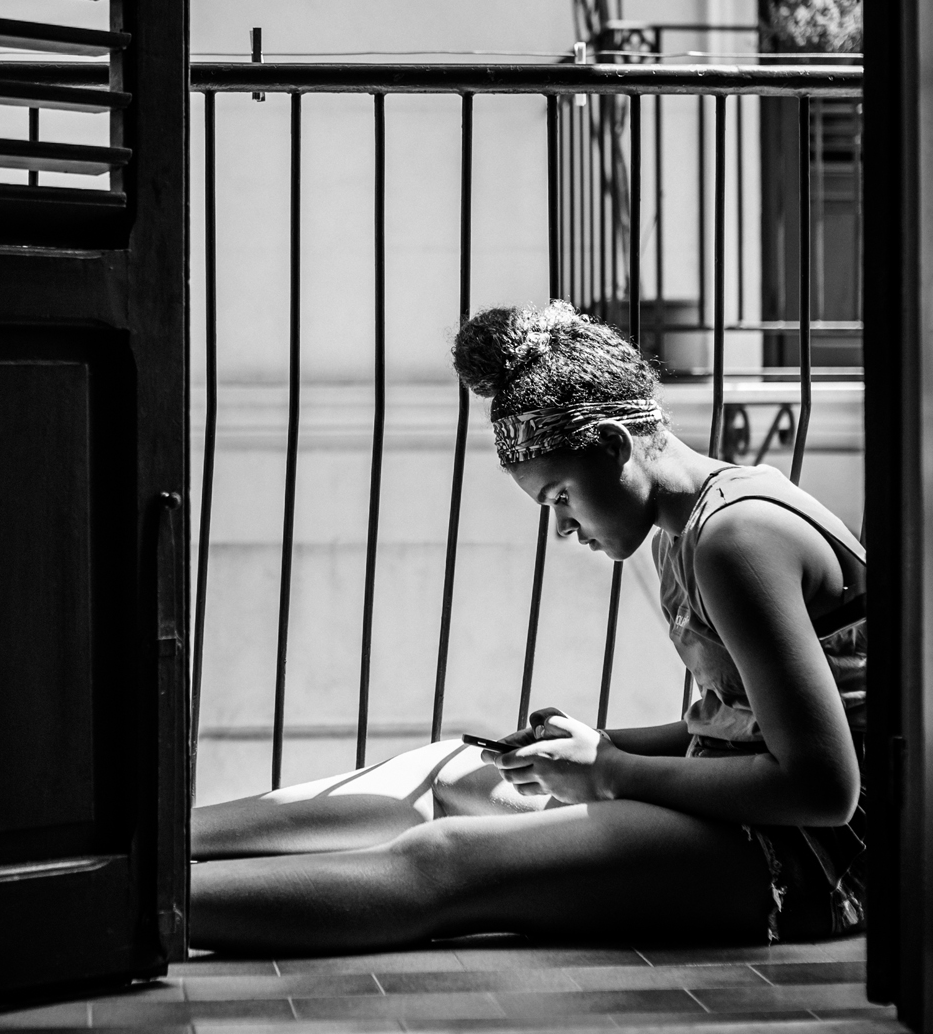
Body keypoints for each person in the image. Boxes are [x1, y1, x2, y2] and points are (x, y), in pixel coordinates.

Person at [189, 300, 867, 953]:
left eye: (561, 497)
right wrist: (596, 745)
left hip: (822, 858)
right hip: (752, 816)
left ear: (612, 445)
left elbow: (822, 786)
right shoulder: (684, 533)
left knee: (446, 859)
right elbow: (735, 724)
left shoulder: (735, 536)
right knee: (448, 770)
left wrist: (611, 770)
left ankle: (129, 909)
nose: (565, 528)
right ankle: (155, 848)